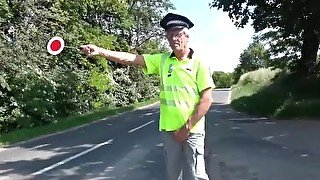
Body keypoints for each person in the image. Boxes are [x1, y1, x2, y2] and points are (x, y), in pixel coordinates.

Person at [80, 13, 215, 180]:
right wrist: (100, 51)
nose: (173, 39)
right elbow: (131, 59)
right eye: (169, 35)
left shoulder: (199, 63)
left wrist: (186, 128)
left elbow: (206, 99)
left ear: (187, 36)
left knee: (197, 175)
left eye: (177, 34)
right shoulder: (163, 60)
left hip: (192, 131)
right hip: (169, 130)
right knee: (173, 175)